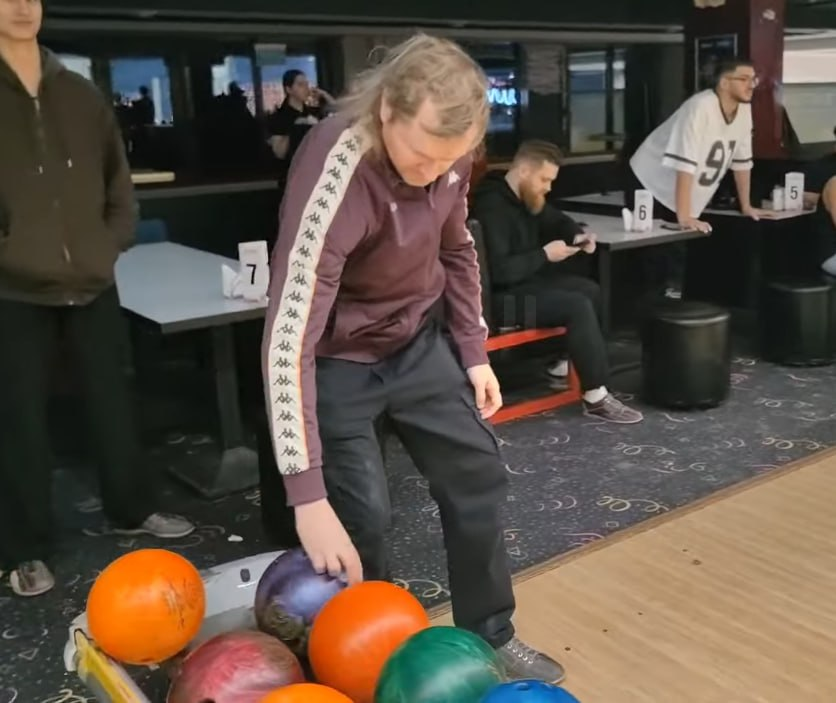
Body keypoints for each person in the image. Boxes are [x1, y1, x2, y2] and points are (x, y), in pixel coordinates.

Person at [259, 33, 564, 683]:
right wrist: (306, 496)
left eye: (449, 161)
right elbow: (288, 336)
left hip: (415, 341)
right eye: (422, 156)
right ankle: (372, 658)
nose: (433, 173)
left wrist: (473, 351)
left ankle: (490, 634)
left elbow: (458, 249)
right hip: (337, 357)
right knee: (362, 518)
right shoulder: (336, 170)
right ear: (386, 112)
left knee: (477, 474)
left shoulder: (450, 158)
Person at [0, 0, 194, 598]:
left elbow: (118, 180)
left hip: (92, 280)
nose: (22, 6)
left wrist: (109, 243)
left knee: (115, 401)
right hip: (13, 288)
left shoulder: (80, 94)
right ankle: (25, 548)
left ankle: (131, 509)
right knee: (19, 420)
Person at [471, 140, 643, 424]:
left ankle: (561, 361)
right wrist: (544, 254)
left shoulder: (524, 195)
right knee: (576, 305)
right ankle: (596, 396)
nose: (548, 187)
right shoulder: (491, 205)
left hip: (523, 289)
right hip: (500, 304)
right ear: (524, 171)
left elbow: (556, 220)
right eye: (544, 179)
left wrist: (576, 235)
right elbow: (499, 272)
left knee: (590, 290)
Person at [626, 58, 766, 296]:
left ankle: (671, 300)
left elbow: (742, 161)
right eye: (744, 79)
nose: (751, 85)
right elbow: (684, 163)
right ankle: (652, 306)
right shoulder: (700, 107)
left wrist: (746, 205)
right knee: (655, 254)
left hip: (685, 189)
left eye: (754, 79)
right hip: (651, 181)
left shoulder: (744, 110)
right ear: (724, 83)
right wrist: (684, 216)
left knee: (677, 253)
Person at [267, 69, 335, 188]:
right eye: (300, 85)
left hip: (315, 172)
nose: (306, 88)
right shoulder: (279, 117)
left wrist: (324, 95)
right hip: (291, 176)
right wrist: (295, 127)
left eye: (307, 84)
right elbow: (279, 153)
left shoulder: (313, 112)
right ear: (289, 89)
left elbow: (338, 112)